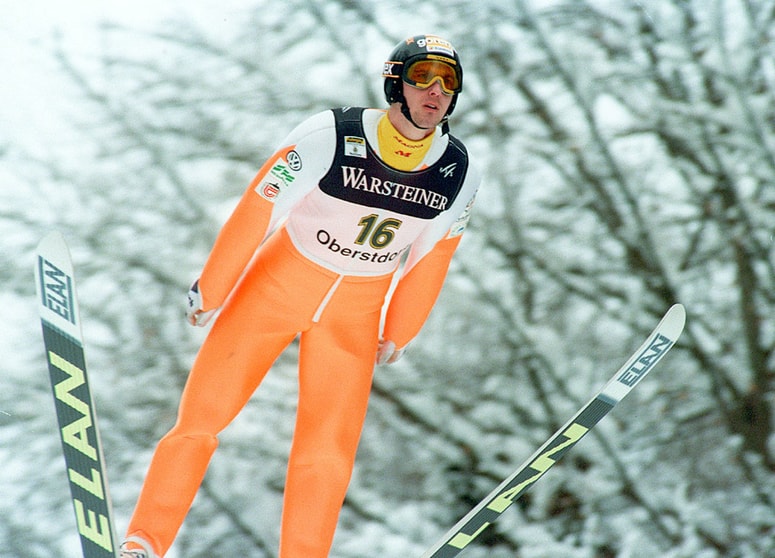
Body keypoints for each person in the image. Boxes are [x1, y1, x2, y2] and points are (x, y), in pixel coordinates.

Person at [120, 33, 480, 558]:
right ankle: (143, 542)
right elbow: (259, 205)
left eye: (448, 81)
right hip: (275, 287)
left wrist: (402, 329)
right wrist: (213, 286)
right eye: (422, 75)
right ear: (394, 81)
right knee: (201, 418)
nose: (435, 90)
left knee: (327, 453)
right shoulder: (331, 134)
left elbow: (434, 255)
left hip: (353, 314)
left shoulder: (458, 170)